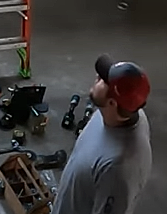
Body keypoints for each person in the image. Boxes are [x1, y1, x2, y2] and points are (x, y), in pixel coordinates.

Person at [52, 55, 153, 214]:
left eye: (104, 81)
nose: (97, 77)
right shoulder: (117, 113)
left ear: (112, 103)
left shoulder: (117, 168)